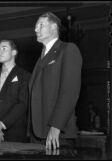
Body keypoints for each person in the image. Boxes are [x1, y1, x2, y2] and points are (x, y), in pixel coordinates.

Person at [28, 12, 82, 149]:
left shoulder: (68, 49)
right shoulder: (39, 59)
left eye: (40, 25)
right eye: (35, 26)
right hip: (37, 134)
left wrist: (56, 126)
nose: (36, 29)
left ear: (53, 27)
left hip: (57, 134)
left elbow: (69, 92)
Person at [0, 39, 30, 142]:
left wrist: (1, 125)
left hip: (15, 133)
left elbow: (23, 104)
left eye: (4, 48)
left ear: (14, 52)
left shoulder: (25, 76)